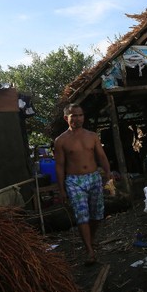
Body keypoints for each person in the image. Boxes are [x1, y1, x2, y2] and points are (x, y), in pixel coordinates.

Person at [54, 103, 112, 265]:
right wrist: (61, 189)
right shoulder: (61, 141)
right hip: (74, 181)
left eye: (80, 115)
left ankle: (90, 239)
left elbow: (101, 156)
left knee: (97, 215)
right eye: (74, 116)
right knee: (82, 216)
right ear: (67, 118)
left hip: (94, 177)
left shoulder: (92, 136)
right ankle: (89, 251)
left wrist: (108, 174)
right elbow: (59, 166)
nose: (78, 119)